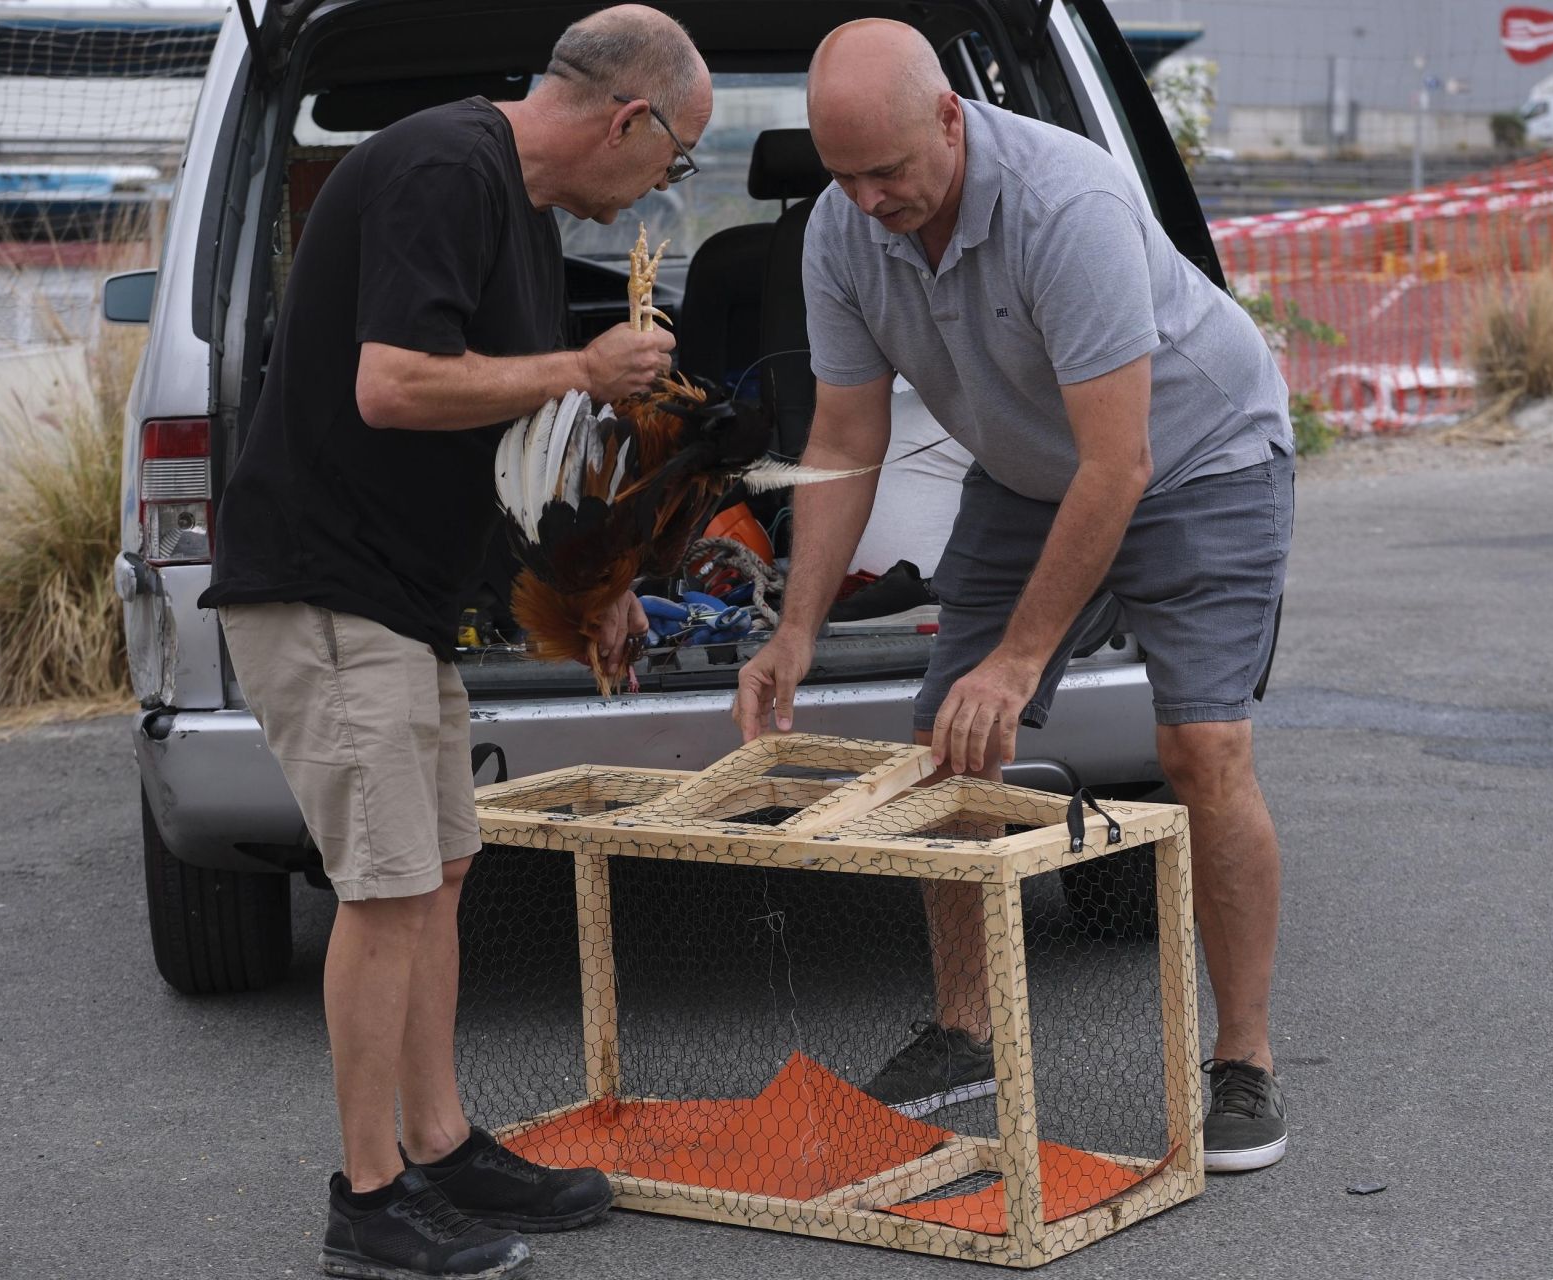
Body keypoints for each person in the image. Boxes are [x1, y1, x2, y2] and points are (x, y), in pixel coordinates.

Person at [198, 9, 711, 1276]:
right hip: (324, 589)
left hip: (399, 598)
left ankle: (440, 1143)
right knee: (382, 886)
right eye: (675, 159)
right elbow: (393, 383)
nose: (662, 187)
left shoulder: (515, 218)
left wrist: (587, 587)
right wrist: (582, 370)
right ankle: (368, 1198)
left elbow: (485, 451)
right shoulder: (443, 166)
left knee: (437, 869)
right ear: (630, 120)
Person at [732, 19, 1294, 1174]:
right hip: (1037, 470)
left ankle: (1243, 1057)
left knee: (1201, 747)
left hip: (1198, 458)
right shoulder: (843, 230)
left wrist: (1020, 659)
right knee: (951, 743)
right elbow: (845, 433)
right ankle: (964, 1029)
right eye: (845, 175)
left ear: (951, 117)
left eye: (889, 170)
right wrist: (794, 625)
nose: (870, 198)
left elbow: (1121, 465)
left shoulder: (1064, 203)